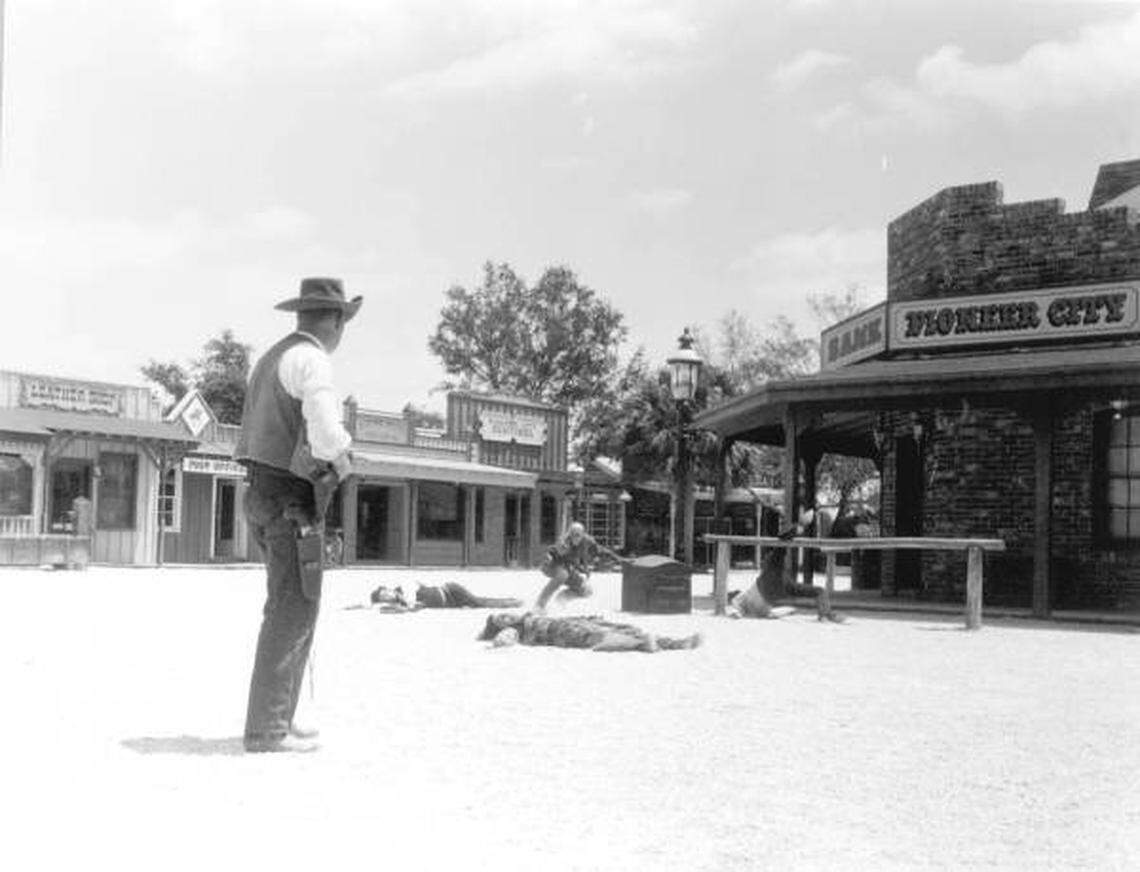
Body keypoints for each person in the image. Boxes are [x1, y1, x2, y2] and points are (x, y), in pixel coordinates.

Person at [235, 277, 361, 753]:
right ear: (334, 321)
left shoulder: (271, 357)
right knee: (293, 610)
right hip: (292, 499)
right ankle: (267, 730)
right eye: (343, 322)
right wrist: (345, 458)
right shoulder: (313, 359)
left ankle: (280, 717)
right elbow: (327, 436)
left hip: (261, 493)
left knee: (288, 604)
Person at [729, 509, 845, 623]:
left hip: (767, 599)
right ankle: (825, 614)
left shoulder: (744, 598)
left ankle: (826, 615)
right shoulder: (773, 567)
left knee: (815, 591)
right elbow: (783, 540)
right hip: (767, 594)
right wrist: (801, 525)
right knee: (817, 590)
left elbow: (737, 609)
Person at [478, 612, 702, 653]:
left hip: (568, 622)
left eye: (505, 614)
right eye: (502, 620)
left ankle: (675, 643)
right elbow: (504, 640)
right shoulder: (514, 630)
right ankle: (643, 644)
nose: (507, 617)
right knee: (595, 637)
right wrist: (495, 640)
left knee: (620, 627)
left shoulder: (525, 616)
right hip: (558, 633)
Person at [534, 521, 623, 612]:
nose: (575, 538)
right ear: (570, 534)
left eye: (578, 535)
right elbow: (556, 554)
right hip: (552, 565)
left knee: (587, 590)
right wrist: (559, 553)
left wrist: (619, 558)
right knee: (562, 575)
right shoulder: (564, 542)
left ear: (583, 534)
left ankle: (562, 598)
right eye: (573, 535)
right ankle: (540, 604)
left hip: (568, 568)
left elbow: (600, 550)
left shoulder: (587, 541)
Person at [366, 581, 523, 611]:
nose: (386, 595)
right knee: (479, 602)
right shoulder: (400, 601)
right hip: (450, 601)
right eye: (383, 596)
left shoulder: (404, 588)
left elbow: (412, 603)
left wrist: (400, 600)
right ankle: (511, 601)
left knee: (480, 602)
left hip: (450, 591)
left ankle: (511, 602)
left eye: (385, 592)